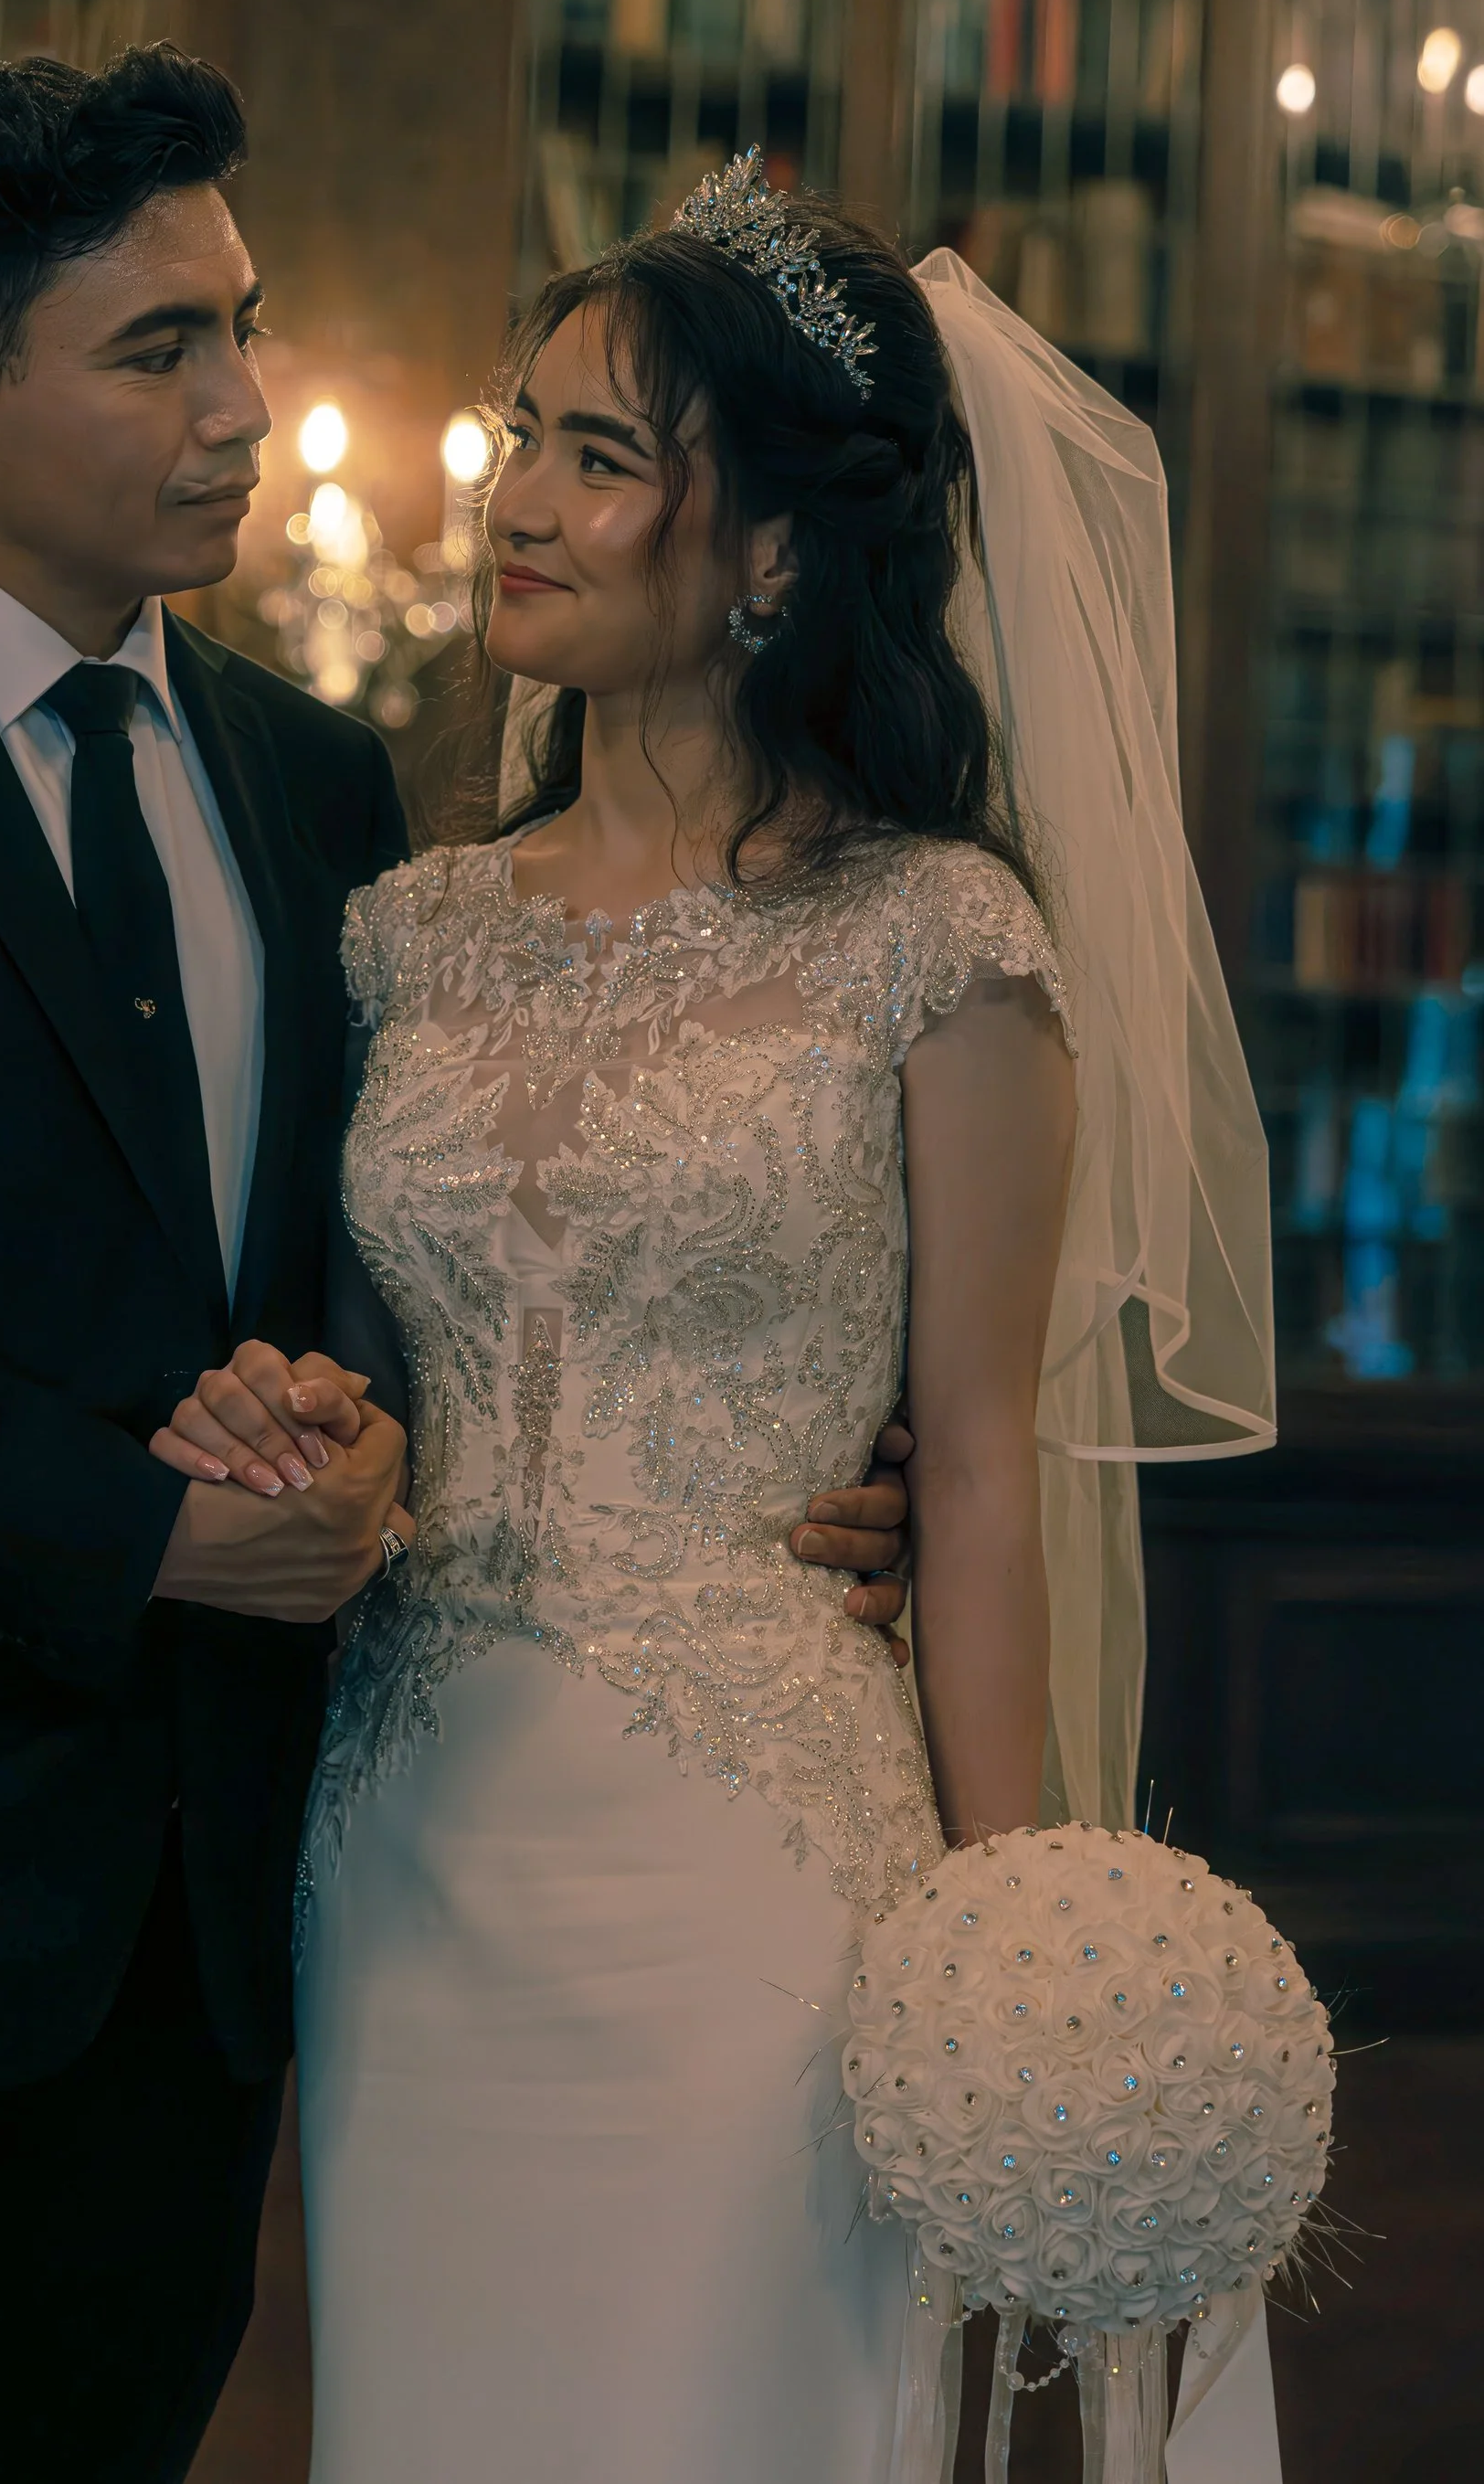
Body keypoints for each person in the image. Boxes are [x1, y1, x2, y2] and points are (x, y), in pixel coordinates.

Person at [0, 56, 916, 2484]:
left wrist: (776, 1439)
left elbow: (425, 1265)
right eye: (156, 346)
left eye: (239, 323)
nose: (242, 402)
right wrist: (139, 1523)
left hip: (196, 1943)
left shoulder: (313, 783)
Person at [205, 160, 1275, 2482]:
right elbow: (374, 1383)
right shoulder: (404, 932)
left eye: (599, 453)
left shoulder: (934, 939)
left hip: (744, 1865)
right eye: (520, 431)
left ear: (773, 552)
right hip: (403, 1860)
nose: (514, 497)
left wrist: (1007, 1936)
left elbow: (971, 1465)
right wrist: (305, 1425)